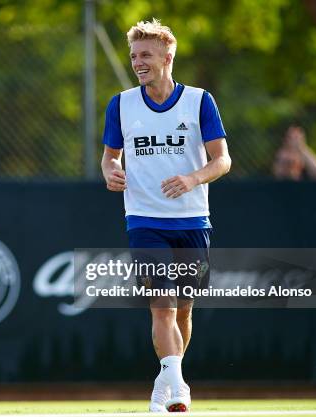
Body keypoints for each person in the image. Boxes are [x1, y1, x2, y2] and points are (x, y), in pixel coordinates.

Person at [101, 19, 231, 412]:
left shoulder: (199, 101)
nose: (138, 63)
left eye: (146, 55)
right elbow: (109, 158)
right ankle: (180, 388)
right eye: (134, 56)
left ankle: (167, 381)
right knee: (162, 305)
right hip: (143, 218)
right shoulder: (121, 103)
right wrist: (111, 172)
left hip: (193, 220)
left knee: (184, 309)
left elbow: (222, 160)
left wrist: (193, 178)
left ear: (167, 57)